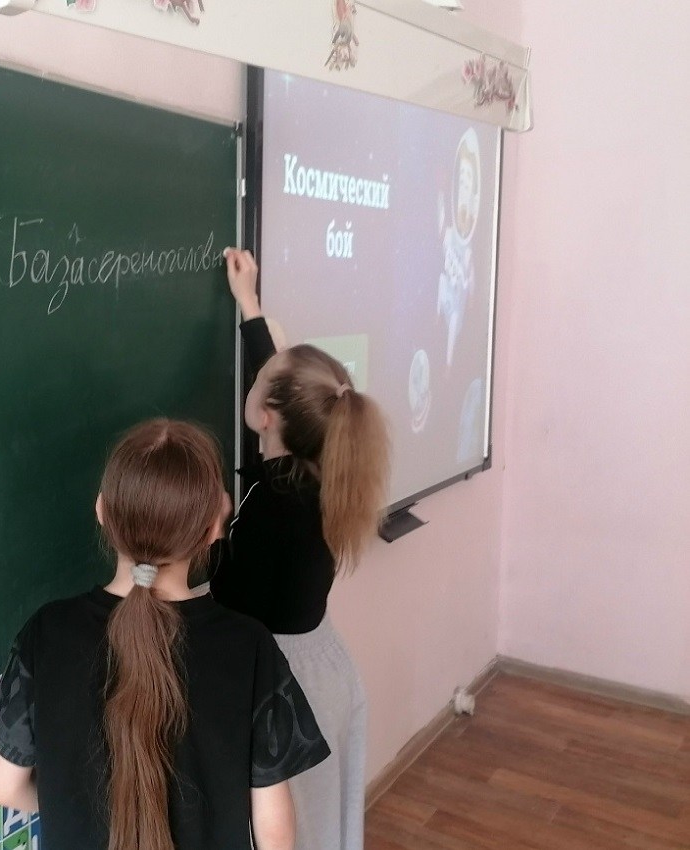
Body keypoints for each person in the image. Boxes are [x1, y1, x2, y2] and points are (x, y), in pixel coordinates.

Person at [0, 418, 330, 850]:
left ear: (102, 511)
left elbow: (4, 788)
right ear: (213, 528)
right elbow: (273, 829)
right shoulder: (247, 645)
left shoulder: (47, 632)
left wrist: (70, 810)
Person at [212, 249, 391, 850]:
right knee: (319, 825)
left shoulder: (274, 507)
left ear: (266, 417)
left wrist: (212, 535)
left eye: (262, 378)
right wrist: (249, 303)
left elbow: (229, 601)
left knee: (293, 832)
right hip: (321, 669)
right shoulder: (318, 471)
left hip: (288, 688)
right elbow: (282, 378)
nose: (259, 371)